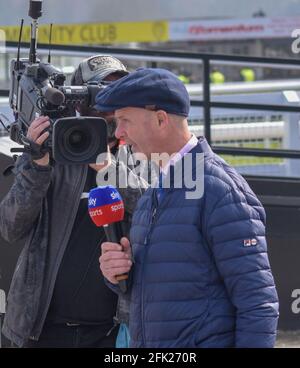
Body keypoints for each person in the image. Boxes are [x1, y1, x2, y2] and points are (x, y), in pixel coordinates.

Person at [96, 68, 279, 348]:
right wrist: (118, 274)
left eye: (124, 120)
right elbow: (155, 295)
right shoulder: (153, 194)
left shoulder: (220, 189)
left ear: (160, 120)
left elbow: (258, 304)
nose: (119, 133)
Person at [0, 55, 147, 348]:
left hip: (113, 333)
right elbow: (9, 226)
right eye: (102, 94)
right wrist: (36, 164)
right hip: (41, 331)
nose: (113, 108)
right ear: (78, 101)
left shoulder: (142, 152)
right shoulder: (55, 153)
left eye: (120, 96)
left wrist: (109, 169)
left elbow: (155, 208)